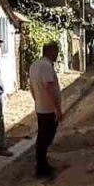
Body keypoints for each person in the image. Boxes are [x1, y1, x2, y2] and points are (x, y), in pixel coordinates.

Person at [29, 41, 64, 179]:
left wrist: (37, 101)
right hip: (49, 109)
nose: (57, 54)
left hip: (41, 107)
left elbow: (31, 86)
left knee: (43, 137)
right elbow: (50, 88)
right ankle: (41, 168)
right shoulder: (46, 66)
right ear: (51, 52)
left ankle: (42, 164)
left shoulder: (35, 65)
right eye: (56, 51)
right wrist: (58, 110)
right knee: (45, 138)